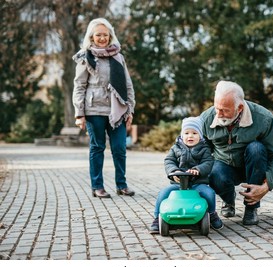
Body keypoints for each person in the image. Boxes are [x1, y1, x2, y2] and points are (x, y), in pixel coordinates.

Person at [200, 80, 273, 225]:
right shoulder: (206, 118)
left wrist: (266, 186)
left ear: (240, 108)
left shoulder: (264, 118)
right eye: (217, 108)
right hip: (223, 165)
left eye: (224, 110)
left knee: (256, 148)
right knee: (214, 172)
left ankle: (251, 207)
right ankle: (228, 200)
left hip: (254, 165)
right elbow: (200, 151)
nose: (219, 114)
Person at [72, 18, 136, 198]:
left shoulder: (118, 56)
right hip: (94, 110)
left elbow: (127, 85)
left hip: (118, 109)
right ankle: (97, 186)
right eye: (98, 35)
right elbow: (79, 86)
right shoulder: (86, 57)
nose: (102, 38)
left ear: (110, 36)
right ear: (91, 36)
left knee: (119, 148)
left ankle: (121, 185)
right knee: (97, 147)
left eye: (105, 35)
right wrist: (79, 113)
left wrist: (130, 109)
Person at [149, 117, 223, 233]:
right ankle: (157, 217)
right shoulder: (175, 148)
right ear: (182, 135)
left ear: (200, 136)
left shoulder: (204, 149)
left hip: (197, 183)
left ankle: (212, 214)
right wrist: (173, 171)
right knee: (163, 193)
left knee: (209, 193)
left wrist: (198, 169)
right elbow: (169, 160)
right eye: (187, 133)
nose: (190, 136)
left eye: (194, 133)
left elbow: (208, 162)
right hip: (178, 184)